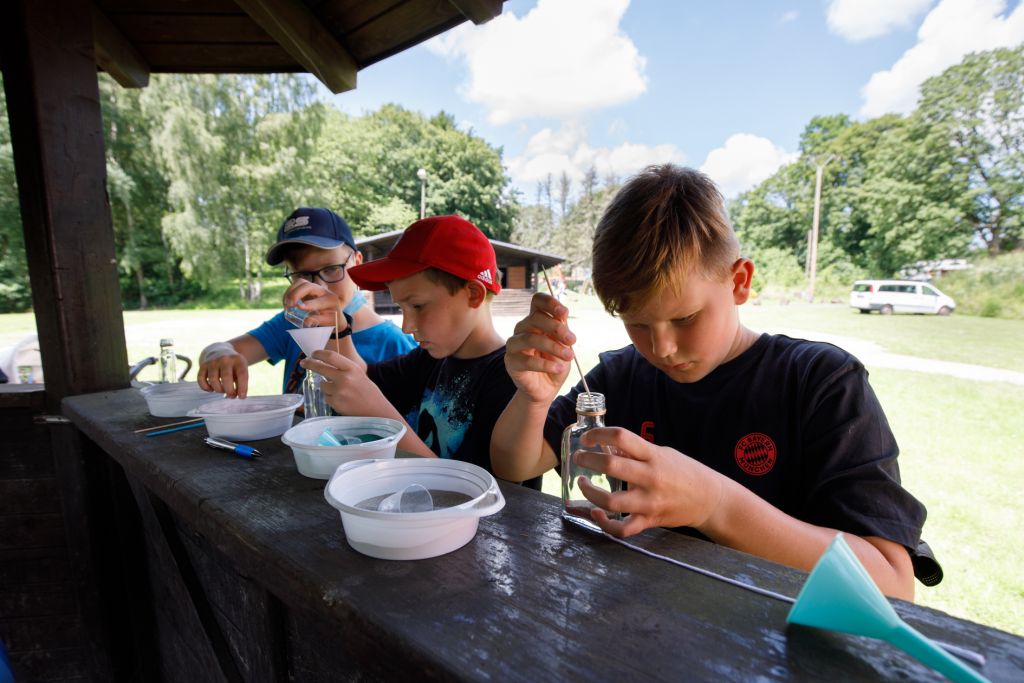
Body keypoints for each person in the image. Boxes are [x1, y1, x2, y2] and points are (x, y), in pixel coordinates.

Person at [490, 165, 931, 600]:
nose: (661, 347)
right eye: (637, 323)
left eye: (684, 318)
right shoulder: (624, 377)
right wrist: (533, 398)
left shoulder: (820, 381)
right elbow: (515, 464)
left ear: (739, 282)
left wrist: (716, 504)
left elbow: (892, 583)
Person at [301, 215, 539, 488]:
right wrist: (337, 324)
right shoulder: (430, 360)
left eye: (417, 306)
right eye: (401, 308)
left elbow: (476, 494)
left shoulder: (514, 380)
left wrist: (381, 415)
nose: (406, 326)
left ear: (473, 294)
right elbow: (364, 377)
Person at [197, 207, 416, 398]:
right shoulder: (292, 323)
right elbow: (224, 348)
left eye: (331, 269)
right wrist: (218, 354)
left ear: (357, 263)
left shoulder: (394, 343)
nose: (319, 287)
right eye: (302, 275)